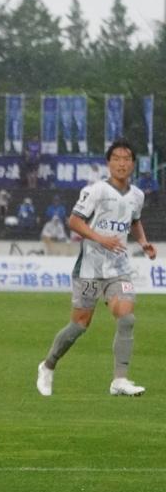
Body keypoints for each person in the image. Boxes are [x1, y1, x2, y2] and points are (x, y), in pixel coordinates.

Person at [36, 139, 157, 397]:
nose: (122, 163)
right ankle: (48, 365)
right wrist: (101, 239)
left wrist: (143, 242)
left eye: (126, 159)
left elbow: (134, 221)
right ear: (108, 163)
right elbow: (74, 221)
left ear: (133, 164)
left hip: (118, 268)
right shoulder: (96, 191)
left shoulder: (138, 195)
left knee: (127, 317)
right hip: (89, 269)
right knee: (80, 325)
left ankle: (119, 380)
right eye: (117, 158)